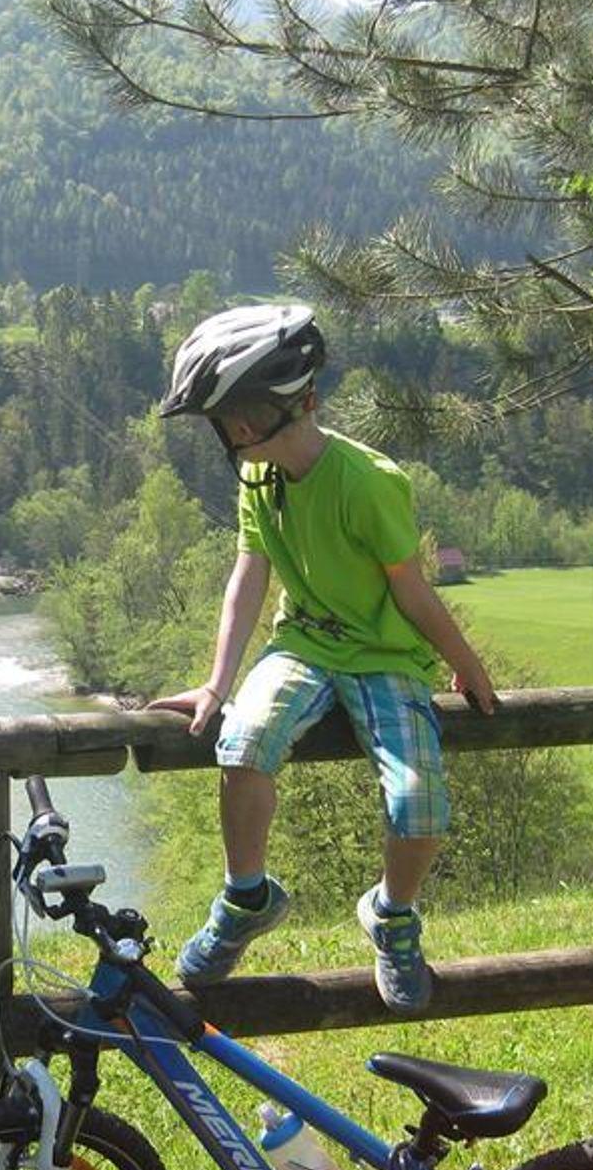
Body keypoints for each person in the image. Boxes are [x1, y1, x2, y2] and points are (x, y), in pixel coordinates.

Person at [147, 303, 496, 1014]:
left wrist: (468, 663)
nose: (232, 432)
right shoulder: (258, 479)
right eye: (226, 419)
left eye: (240, 416)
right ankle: (246, 899)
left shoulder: (367, 482)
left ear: (287, 407)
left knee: (419, 803)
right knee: (243, 743)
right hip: (303, 644)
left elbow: (412, 591)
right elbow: (249, 577)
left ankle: (392, 915)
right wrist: (216, 684)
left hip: (386, 655)